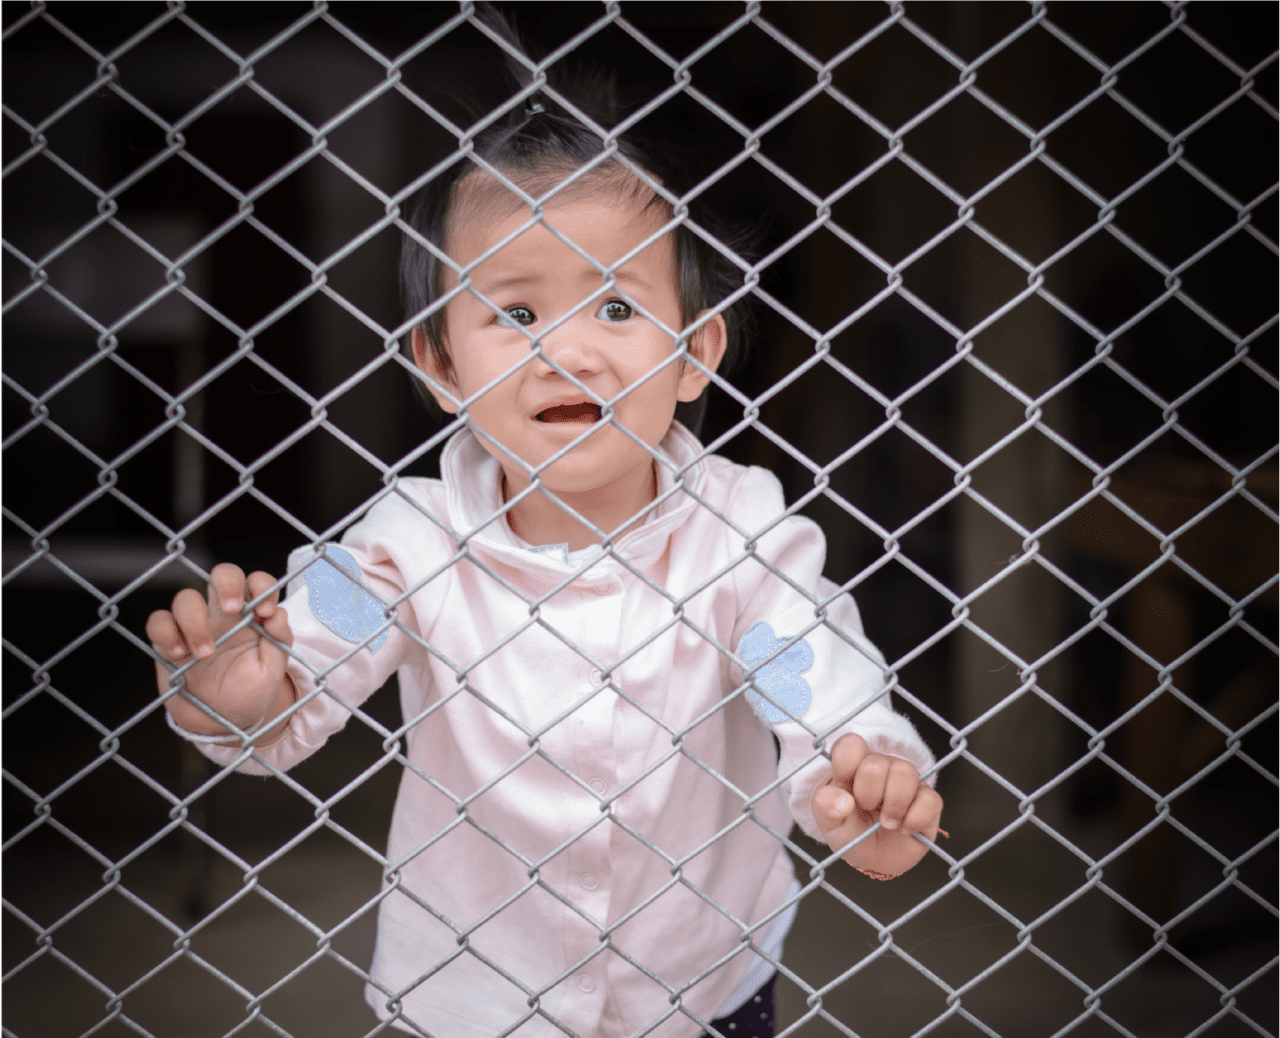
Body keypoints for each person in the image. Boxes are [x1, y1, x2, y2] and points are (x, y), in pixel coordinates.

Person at [146, 10, 944, 1037]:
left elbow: (803, 667)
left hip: (699, 994)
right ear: (440, 366)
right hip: (462, 1003)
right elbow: (305, 670)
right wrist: (240, 698)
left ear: (696, 352)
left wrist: (858, 770)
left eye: (615, 308)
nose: (567, 353)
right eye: (515, 314)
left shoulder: (737, 535)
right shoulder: (404, 544)